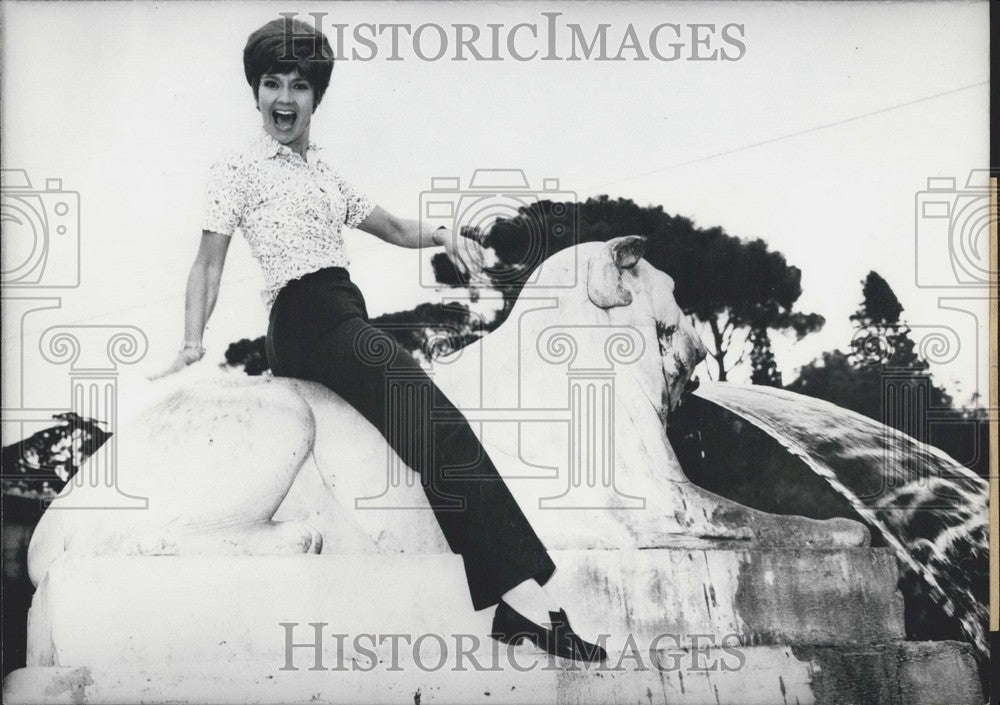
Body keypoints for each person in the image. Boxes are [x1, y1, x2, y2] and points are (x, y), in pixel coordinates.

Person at [153, 17, 606, 663]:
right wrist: (191, 339)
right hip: (306, 316)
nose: (285, 98)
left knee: (430, 413)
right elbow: (207, 260)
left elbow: (392, 226)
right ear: (255, 92)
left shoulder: (325, 172)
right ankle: (527, 601)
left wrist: (447, 235)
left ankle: (511, 596)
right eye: (272, 83)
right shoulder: (235, 168)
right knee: (437, 421)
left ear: (316, 96)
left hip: (343, 310)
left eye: (300, 86)